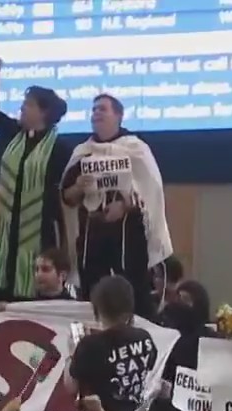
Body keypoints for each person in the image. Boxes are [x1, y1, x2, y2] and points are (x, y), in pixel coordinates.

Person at [62, 92, 173, 318]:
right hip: (92, 237)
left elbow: (150, 191)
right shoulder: (83, 152)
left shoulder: (136, 149)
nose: (96, 113)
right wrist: (79, 188)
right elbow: (67, 197)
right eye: (93, 110)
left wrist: (124, 206)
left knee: (134, 294)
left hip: (129, 238)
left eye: (102, 109)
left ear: (118, 115)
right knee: (92, 294)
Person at [0, 57, 74, 301]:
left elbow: (69, 193)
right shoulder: (14, 134)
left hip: (42, 229)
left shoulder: (60, 149)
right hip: (8, 233)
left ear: (44, 112)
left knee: (35, 288)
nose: (22, 108)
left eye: (28, 104)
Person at [67, 276, 158, 411]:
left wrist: (71, 354)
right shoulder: (144, 337)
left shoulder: (89, 345)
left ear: (97, 307)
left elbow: (71, 386)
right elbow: (150, 366)